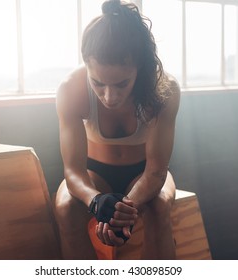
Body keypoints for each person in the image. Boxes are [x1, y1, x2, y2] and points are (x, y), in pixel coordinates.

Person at [54, 0, 180, 260]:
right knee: (65, 208)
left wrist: (124, 210)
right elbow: (73, 171)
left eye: (122, 84)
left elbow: (156, 170)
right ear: (87, 66)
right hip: (94, 173)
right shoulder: (70, 89)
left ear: (139, 68)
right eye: (98, 83)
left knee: (159, 206)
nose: (109, 96)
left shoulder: (165, 89)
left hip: (145, 174)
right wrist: (96, 202)